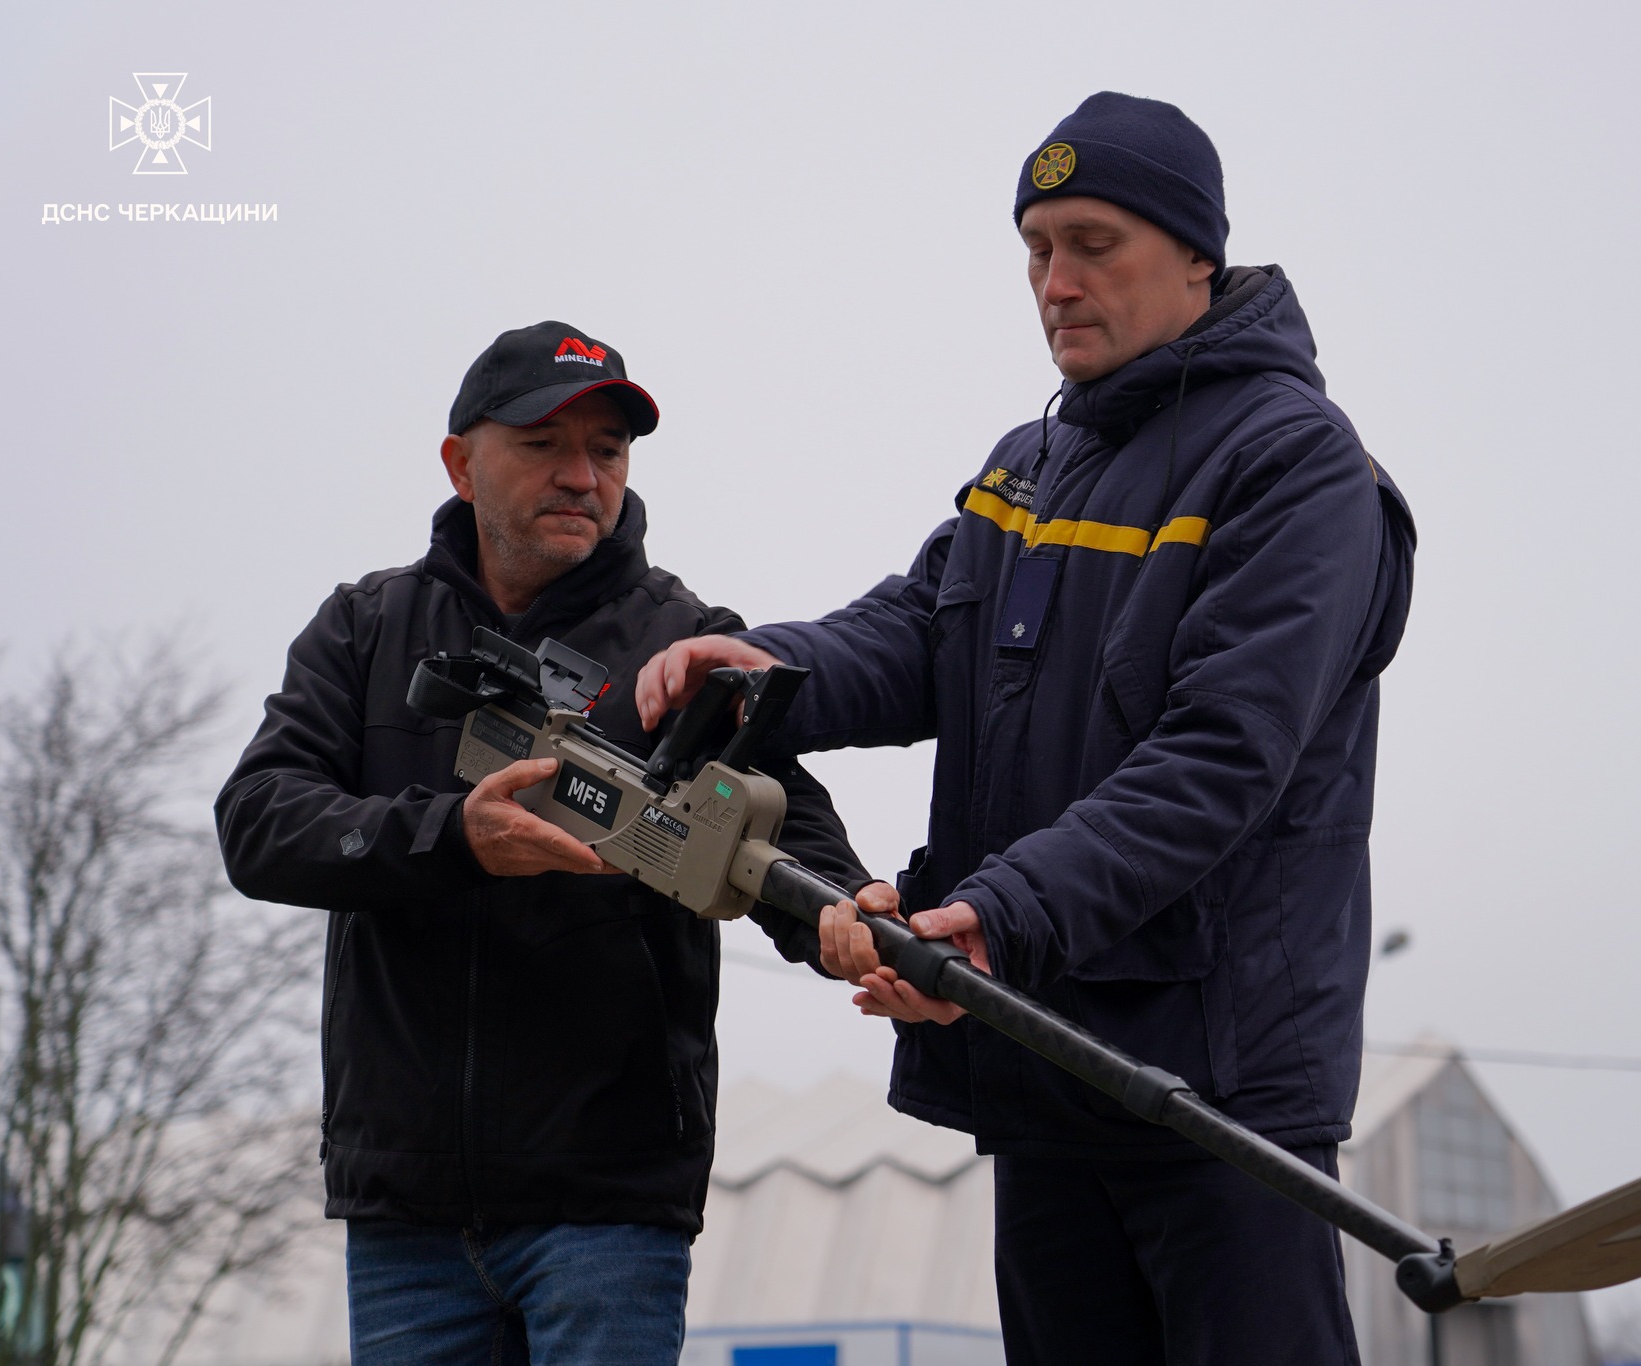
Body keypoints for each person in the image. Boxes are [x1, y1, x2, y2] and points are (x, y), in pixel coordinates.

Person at [635, 93, 1417, 1365]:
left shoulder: (1296, 464)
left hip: (1216, 1093)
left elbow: (1218, 756)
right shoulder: (1028, 465)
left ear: (1197, 255)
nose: (1055, 283)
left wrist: (999, 916)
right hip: (1042, 1061)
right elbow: (916, 632)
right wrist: (765, 668)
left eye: (1093, 245)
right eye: (1036, 250)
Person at [216, 321, 877, 1366]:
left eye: (607, 450)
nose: (581, 475)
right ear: (460, 463)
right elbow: (258, 821)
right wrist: (452, 837)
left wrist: (854, 918)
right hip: (404, 1214)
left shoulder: (685, 642)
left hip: (608, 1209)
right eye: (543, 445)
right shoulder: (364, 628)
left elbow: (791, 832)